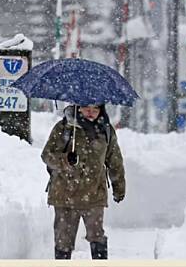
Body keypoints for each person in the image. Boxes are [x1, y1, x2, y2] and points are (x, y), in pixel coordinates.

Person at [41, 104, 125, 260]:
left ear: (101, 110)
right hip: (64, 195)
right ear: (78, 108)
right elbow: (46, 155)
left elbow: (115, 161)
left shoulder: (105, 131)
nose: (90, 113)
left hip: (94, 194)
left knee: (97, 236)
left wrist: (119, 187)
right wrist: (65, 160)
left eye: (95, 109)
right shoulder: (64, 128)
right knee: (63, 240)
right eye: (86, 108)